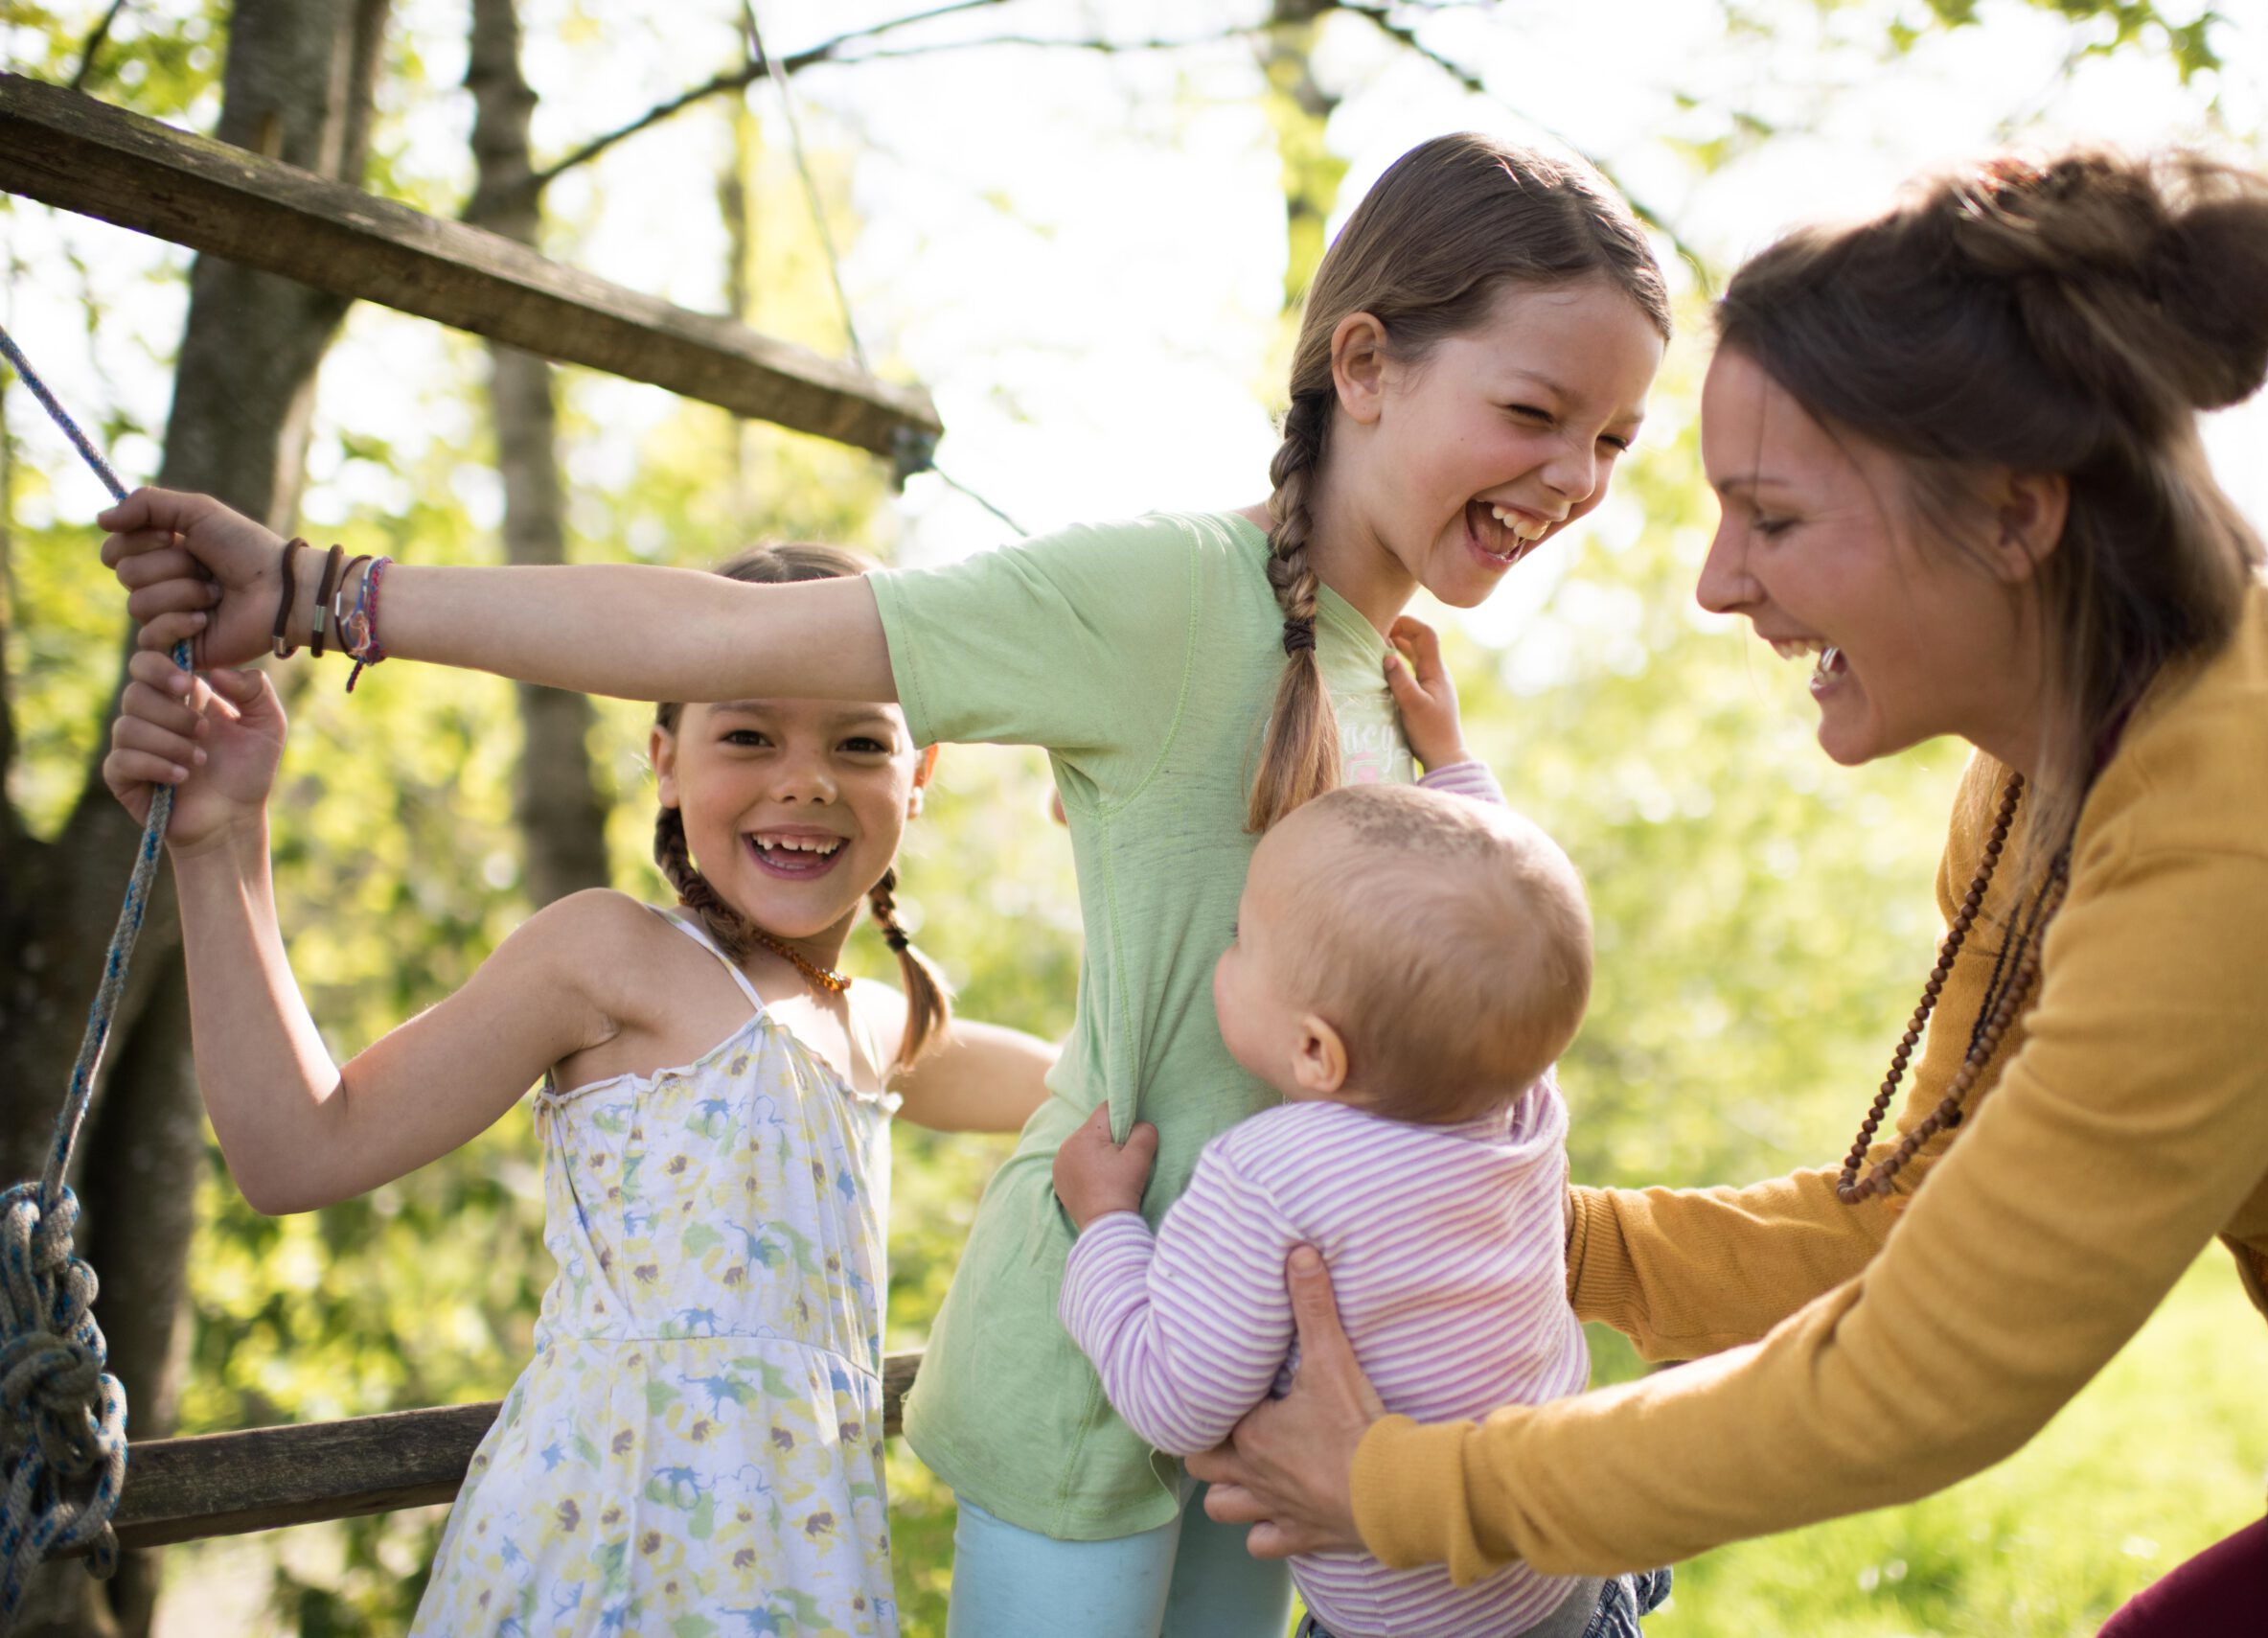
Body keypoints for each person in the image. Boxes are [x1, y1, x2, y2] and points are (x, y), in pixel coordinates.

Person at [100, 130, 1674, 1636]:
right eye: (1538, 410)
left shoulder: (1402, 681)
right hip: (1092, 1366)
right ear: (1369, 363)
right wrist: (323, 590)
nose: (1578, 475)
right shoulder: (1168, 595)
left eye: (1612, 439)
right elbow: (722, 638)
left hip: (1280, 1400)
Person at [1183, 146, 2268, 1637]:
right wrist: (1484, 1215)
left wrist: (1417, 1487)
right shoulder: (2058, 774)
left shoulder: (2243, 838)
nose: (1717, 585)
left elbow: (1931, 1368)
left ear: (2014, 515)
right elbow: (1914, 1216)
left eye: (1773, 520)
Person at [102, 542, 1057, 1636]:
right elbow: (297, 1149)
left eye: (858, 741)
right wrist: (224, 840)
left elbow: (1079, 1083)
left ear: (919, 774)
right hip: (599, 1550)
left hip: (801, 1568)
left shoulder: (871, 1025)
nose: (805, 778)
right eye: (747, 734)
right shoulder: (609, 955)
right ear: (665, 757)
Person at [1049, 619, 1673, 1638]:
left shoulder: (1271, 1173)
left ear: (1313, 1056)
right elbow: (1498, 933)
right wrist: (1454, 765)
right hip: (1569, 1569)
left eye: (1242, 937)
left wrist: (1107, 1221)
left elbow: (1176, 1399)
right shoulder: (1515, 1093)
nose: (1228, 944)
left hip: (1409, 1618)